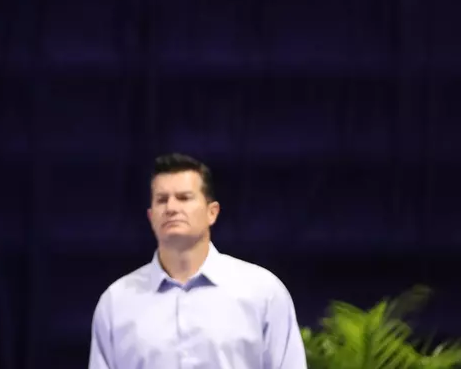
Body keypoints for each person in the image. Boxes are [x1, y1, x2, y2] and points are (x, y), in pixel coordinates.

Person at [88, 153, 307, 369]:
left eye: (184, 198)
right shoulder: (116, 302)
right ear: (151, 216)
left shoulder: (263, 293)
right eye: (162, 200)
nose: (171, 208)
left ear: (212, 212)